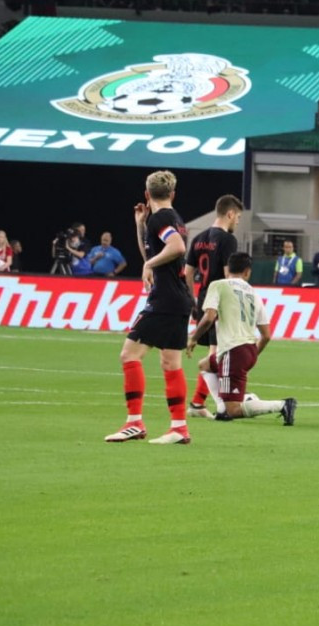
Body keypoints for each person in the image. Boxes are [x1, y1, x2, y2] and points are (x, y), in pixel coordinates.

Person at [104, 170, 195, 446]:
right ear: (172, 194)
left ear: (146, 194)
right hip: (178, 298)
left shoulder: (163, 218)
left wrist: (148, 265)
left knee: (129, 355)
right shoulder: (169, 219)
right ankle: (179, 427)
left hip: (165, 300)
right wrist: (139, 225)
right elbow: (155, 254)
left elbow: (176, 247)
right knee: (171, 362)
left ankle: (134, 422)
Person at [186, 252, 296, 426]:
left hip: (233, 351)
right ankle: (222, 408)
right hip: (249, 350)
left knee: (234, 410)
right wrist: (252, 355)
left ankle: (282, 405)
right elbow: (266, 335)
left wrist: (193, 338)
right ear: (247, 272)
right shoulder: (254, 294)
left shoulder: (219, 285)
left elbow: (208, 317)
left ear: (228, 269)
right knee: (204, 365)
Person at [184, 194, 242, 419]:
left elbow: (188, 272)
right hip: (220, 301)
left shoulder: (197, 238)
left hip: (203, 298)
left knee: (214, 352)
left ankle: (199, 403)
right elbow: (229, 274)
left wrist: (192, 300)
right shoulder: (228, 240)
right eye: (237, 217)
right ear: (229, 214)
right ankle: (211, 404)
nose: (237, 221)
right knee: (218, 355)